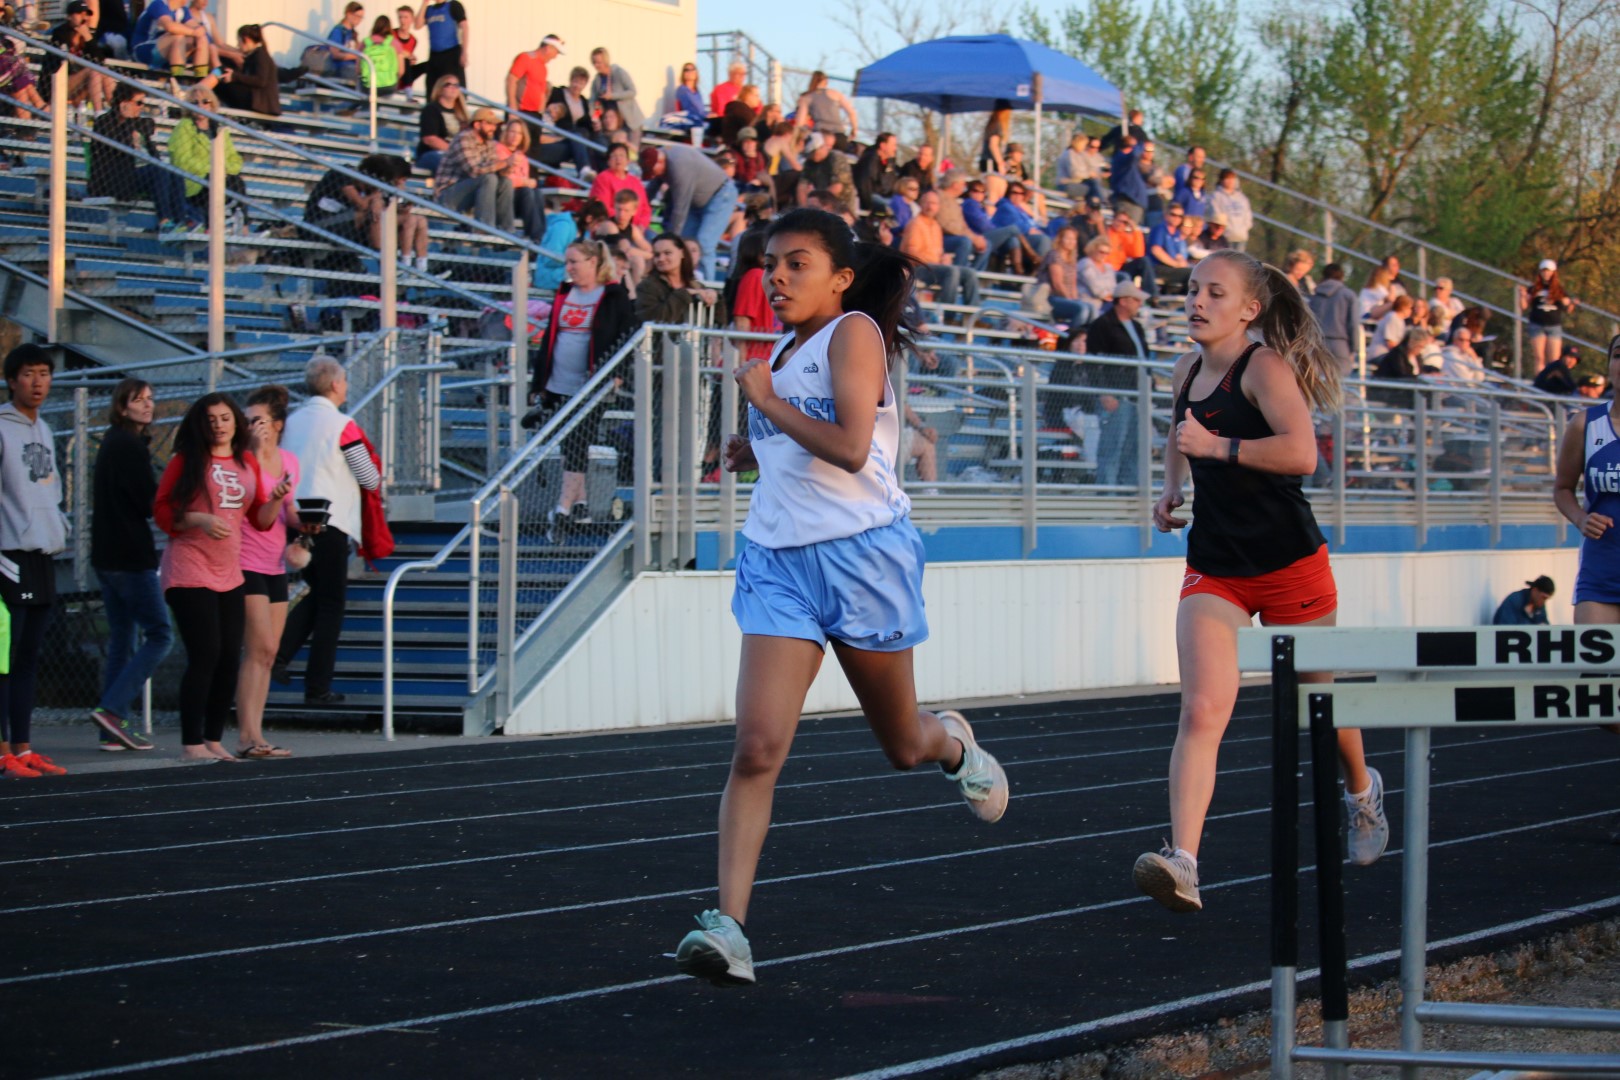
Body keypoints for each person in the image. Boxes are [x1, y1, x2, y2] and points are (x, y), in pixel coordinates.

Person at [672, 207, 1009, 987]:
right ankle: (729, 929)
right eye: (769, 265)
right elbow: (800, 443)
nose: (777, 278)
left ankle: (953, 746)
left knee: (902, 746)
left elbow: (854, 449)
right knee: (757, 747)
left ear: (841, 278)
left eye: (797, 263)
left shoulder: (852, 334)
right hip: (778, 563)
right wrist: (754, 447)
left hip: (864, 561)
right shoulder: (783, 355)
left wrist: (765, 407)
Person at [1135, 248, 1388, 913]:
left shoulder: (1264, 368)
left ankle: (1362, 791)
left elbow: (1302, 454)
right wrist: (1170, 488)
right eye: (1193, 289)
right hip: (1216, 567)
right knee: (1201, 710)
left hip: (1288, 565)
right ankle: (1184, 861)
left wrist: (1218, 448)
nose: (1196, 301)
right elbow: (1180, 433)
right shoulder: (1186, 368)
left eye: (1215, 293)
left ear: (1249, 309)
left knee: (1319, 705)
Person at [154, 392, 292, 763]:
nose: (219, 425)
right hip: (189, 568)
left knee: (230, 657)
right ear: (201, 425)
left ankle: (213, 739)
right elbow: (162, 511)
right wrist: (199, 519)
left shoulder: (246, 462)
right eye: (211, 419)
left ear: (236, 422)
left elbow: (260, 520)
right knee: (206, 654)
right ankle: (192, 743)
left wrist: (276, 498)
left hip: (230, 573)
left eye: (225, 418)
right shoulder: (186, 461)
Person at [273, 358, 381, 705]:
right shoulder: (342, 425)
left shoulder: (291, 422)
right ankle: (317, 686)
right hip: (329, 521)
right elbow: (369, 477)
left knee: (318, 592)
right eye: (344, 380)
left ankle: (278, 656)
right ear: (335, 385)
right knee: (332, 603)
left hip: (292, 518)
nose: (346, 386)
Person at [524, 240, 634, 532]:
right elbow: (550, 339)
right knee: (569, 443)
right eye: (568, 262)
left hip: (593, 385)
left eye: (574, 262)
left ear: (593, 262)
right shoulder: (565, 292)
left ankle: (561, 508)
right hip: (558, 382)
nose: (569, 267)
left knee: (577, 441)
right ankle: (581, 505)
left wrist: (617, 374)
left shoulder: (613, 295)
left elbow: (626, 337)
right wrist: (538, 383)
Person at [0, 347, 68, 778]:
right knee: (3, 660)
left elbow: (50, 491)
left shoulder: (44, 428)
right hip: (9, 554)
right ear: (12, 380)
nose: (38, 382)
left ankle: (23, 747)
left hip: (42, 554)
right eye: (29, 374)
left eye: (44, 373)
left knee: (28, 657)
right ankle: (2, 751)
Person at [89, 378, 167, 752]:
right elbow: (147, 503)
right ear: (123, 407)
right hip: (130, 556)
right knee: (160, 634)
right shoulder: (128, 446)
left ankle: (111, 730)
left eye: (150, 398)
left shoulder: (112, 442)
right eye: (139, 400)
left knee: (122, 639)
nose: (147, 405)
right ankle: (113, 709)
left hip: (106, 556)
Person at [236, 385, 299, 758]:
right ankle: (246, 735)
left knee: (270, 651)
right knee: (257, 646)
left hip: (274, 562)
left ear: (276, 424)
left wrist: (307, 523)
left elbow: (287, 509)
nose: (251, 426)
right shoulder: (243, 460)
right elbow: (252, 497)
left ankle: (257, 733)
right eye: (247, 421)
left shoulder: (289, 460)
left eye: (257, 420)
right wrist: (258, 453)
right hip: (245, 560)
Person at [1554, 336, 1620, 638]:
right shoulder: (1586, 424)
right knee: (1593, 663)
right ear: (1609, 365)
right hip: (1600, 575)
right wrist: (1581, 519)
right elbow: (1562, 489)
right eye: (1618, 355)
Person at [88, 83, 191, 233]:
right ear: (124, 103)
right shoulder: (104, 122)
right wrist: (126, 122)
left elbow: (150, 125)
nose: (141, 107)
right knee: (159, 171)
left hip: (142, 174)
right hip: (118, 177)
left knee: (175, 172)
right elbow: (118, 148)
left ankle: (180, 221)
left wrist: (129, 120)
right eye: (138, 103)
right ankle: (164, 220)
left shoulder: (139, 123)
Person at [1084, 282, 1151, 486]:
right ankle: (1107, 493)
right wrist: (1104, 393)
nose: (1139, 304)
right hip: (1116, 394)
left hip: (1136, 394)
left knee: (1134, 448)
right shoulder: (1102, 325)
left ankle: (1130, 493)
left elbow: (1144, 359)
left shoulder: (1136, 326)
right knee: (1112, 448)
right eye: (1136, 300)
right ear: (1123, 301)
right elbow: (1093, 362)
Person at [643, 144, 737, 282]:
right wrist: (637, 212)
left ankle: (708, 286)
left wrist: (670, 240)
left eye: (653, 172)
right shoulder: (659, 158)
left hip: (720, 194)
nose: (653, 176)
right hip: (697, 199)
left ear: (660, 162)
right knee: (685, 242)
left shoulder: (679, 165)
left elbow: (679, 209)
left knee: (704, 243)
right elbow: (650, 190)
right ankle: (687, 282)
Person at [168, 86, 244, 214]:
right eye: (195, 103)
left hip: (219, 177)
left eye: (205, 102)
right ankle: (211, 223)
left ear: (212, 104)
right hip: (194, 182)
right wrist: (213, 169)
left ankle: (243, 223)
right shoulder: (184, 127)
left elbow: (235, 158)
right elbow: (181, 160)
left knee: (237, 182)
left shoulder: (219, 129)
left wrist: (224, 170)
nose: (200, 106)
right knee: (214, 181)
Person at [901, 189, 980, 312]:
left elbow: (938, 251)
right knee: (951, 271)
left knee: (970, 273)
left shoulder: (936, 226)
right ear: (921, 204)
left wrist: (944, 257)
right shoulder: (915, 224)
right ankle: (947, 315)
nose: (930, 207)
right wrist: (936, 261)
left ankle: (972, 314)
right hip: (919, 268)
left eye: (934, 203)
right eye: (927, 203)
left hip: (935, 267)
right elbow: (912, 254)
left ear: (938, 207)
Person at [434, 106, 512, 229]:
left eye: (495, 124)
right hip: (447, 195)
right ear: (477, 125)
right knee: (489, 179)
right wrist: (503, 163)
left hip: (471, 191)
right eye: (490, 124)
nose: (494, 128)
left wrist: (508, 167)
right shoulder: (463, 138)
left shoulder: (490, 142)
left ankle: (506, 231)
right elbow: (473, 171)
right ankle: (484, 229)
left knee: (505, 182)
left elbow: (493, 167)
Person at [44, 0, 114, 114]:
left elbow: (100, 61)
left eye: (86, 14)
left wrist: (88, 37)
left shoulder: (87, 36)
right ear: (69, 17)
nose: (84, 17)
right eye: (80, 14)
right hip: (57, 83)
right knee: (94, 71)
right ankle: (99, 113)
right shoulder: (60, 33)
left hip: (79, 84)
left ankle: (114, 108)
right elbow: (62, 63)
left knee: (104, 71)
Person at [1520, 259, 1577, 374]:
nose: (1546, 273)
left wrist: (1573, 304)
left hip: (1553, 326)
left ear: (1553, 273)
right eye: (1544, 271)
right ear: (1540, 272)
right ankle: (1539, 382)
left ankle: (1551, 382)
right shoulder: (1534, 289)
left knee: (1554, 360)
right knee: (1539, 358)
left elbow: (1567, 309)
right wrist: (1522, 295)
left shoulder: (1559, 290)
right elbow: (1524, 306)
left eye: (1549, 271)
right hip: (1537, 325)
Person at [214, 24, 280, 116]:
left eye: (239, 41)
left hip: (259, 103)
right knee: (222, 71)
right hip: (255, 100)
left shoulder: (260, 55)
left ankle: (203, 79)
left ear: (246, 39)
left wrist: (234, 76)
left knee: (218, 81)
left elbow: (261, 81)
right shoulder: (254, 55)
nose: (238, 45)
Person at [498, 119, 546, 245]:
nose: (515, 136)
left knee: (537, 193)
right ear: (506, 133)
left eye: (519, 133)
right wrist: (525, 182)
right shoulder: (498, 150)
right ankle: (535, 237)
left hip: (520, 200)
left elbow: (523, 181)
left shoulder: (523, 157)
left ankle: (541, 235)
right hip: (503, 198)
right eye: (512, 132)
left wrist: (527, 182)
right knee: (527, 191)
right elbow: (504, 180)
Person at [1308, 263, 1361, 374]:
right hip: (1340, 344)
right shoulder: (1348, 295)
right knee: (1341, 380)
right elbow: (1353, 324)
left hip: (1317, 343)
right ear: (1342, 276)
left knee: (1317, 380)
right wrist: (1354, 348)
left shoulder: (1315, 296)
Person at [130, 0, 208, 75]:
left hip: (164, 48)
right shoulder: (159, 4)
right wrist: (194, 32)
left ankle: (200, 78)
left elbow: (197, 28)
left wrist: (199, 31)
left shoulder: (183, 10)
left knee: (201, 39)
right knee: (178, 37)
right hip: (143, 49)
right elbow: (170, 27)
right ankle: (177, 77)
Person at [591, 47, 644, 152]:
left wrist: (613, 96)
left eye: (599, 62)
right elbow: (595, 102)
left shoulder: (619, 73)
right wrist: (595, 117)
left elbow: (632, 91)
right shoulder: (597, 80)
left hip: (630, 121)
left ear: (606, 61)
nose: (596, 65)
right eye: (594, 63)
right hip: (615, 124)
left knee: (632, 152)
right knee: (617, 150)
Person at [587, 143, 650, 230]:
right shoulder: (603, 178)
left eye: (622, 155)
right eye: (614, 156)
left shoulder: (636, 181)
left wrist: (642, 226)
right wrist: (626, 221)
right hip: (611, 224)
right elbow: (603, 208)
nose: (618, 159)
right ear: (608, 161)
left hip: (637, 226)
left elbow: (645, 209)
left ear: (628, 160)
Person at [414, 73, 467, 173]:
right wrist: (455, 153)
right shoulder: (431, 109)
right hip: (432, 154)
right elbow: (429, 139)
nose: (453, 88)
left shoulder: (462, 114)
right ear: (440, 89)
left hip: (457, 155)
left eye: (456, 85)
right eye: (448, 84)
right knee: (447, 163)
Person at [1039, 225, 1090, 324]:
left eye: (1074, 239)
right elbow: (1057, 284)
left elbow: (1073, 284)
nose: (1072, 242)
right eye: (1068, 238)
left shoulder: (1072, 258)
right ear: (1060, 239)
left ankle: (1083, 333)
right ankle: (1071, 332)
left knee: (1091, 309)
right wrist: (1070, 300)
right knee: (1082, 309)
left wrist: (1075, 299)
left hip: (1067, 298)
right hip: (1051, 297)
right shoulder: (1054, 255)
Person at [795, 70, 857, 150]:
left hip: (820, 136)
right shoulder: (836, 94)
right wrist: (854, 129)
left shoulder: (807, 98)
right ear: (826, 81)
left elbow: (800, 123)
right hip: (838, 135)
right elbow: (852, 112)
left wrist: (799, 137)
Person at [506, 34, 562, 117]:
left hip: (534, 114)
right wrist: (512, 108)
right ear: (548, 48)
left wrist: (541, 113)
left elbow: (542, 93)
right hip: (520, 111)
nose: (555, 57)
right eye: (556, 52)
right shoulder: (526, 58)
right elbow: (511, 80)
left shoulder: (543, 68)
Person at [415, 0, 467, 91]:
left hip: (451, 54)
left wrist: (464, 52)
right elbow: (417, 25)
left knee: (452, 86)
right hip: (434, 55)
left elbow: (465, 27)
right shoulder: (429, 10)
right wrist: (425, 3)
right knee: (432, 87)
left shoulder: (453, 6)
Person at [1146, 203, 1192, 295]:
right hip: (1157, 268)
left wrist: (1182, 263)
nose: (1177, 218)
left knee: (1195, 272)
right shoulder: (1160, 229)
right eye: (1173, 214)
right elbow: (1156, 250)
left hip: (1171, 268)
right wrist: (1175, 264)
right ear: (1166, 215)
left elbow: (1179, 255)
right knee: (1190, 274)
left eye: (1180, 216)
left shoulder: (1176, 234)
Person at [854, 132, 899, 212]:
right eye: (893, 145)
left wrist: (890, 163)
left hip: (883, 197)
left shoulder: (888, 162)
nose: (895, 149)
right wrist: (869, 205)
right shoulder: (870, 160)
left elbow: (889, 185)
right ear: (883, 146)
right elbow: (865, 186)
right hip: (870, 198)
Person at [1209, 170, 1252, 252]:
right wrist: (1225, 229)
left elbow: (1248, 216)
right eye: (1227, 178)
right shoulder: (1216, 196)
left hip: (1241, 237)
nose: (1230, 181)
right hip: (1225, 237)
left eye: (1232, 178)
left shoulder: (1242, 198)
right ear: (1221, 180)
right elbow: (1216, 215)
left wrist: (1244, 229)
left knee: (1238, 260)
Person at [322, 1, 365, 83]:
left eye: (361, 17)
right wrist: (356, 56)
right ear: (348, 14)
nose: (359, 20)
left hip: (351, 67)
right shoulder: (338, 31)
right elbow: (335, 54)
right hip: (340, 68)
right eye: (357, 16)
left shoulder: (353, 33)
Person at [360, 14, 400, 96]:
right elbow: (401, 71)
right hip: (389, 86)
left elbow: (358, 70)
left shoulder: (365, 42)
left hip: (368, 86)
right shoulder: (394, 43)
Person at [391, 5, 423, 93]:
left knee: (428, 65)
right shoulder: (391, 34)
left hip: (406, 73)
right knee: (404, 59)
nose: (402, 20)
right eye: (400, 17)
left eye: (405, 17)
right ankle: (408, 89)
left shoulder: (413, 40)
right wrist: (406, 55)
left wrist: (412, 60)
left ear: (412, 19)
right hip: (393, 72)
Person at [979, 100, 1012, 175]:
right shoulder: (997, 126)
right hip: (991, 162)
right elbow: (993, 145)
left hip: (988, 161)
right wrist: (1000, 163)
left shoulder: (992, 125)